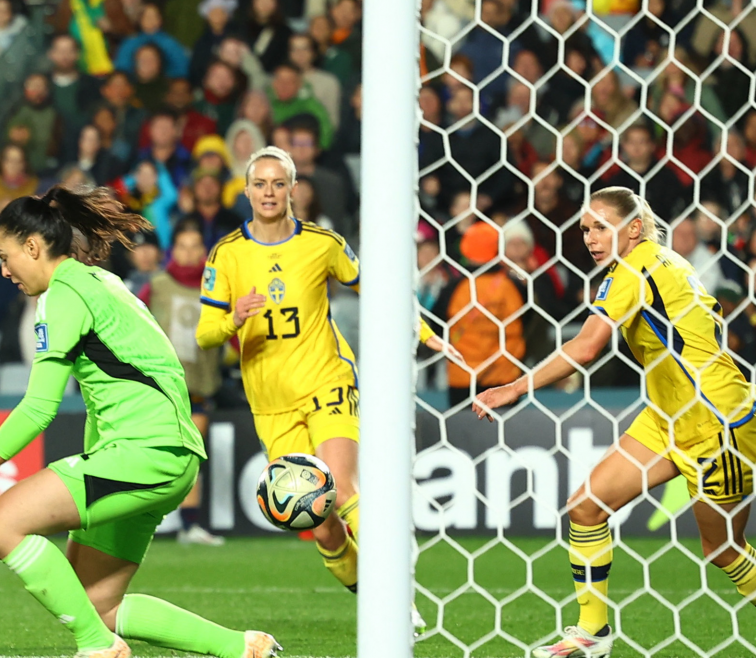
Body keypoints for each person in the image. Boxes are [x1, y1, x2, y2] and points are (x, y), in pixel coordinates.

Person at [0, 184, 280, 658]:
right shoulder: (97, 281)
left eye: (5, 255)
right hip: (160, 452)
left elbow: (40, 407)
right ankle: (241, 650)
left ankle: (96, 650)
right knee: (96, 604)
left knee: (1, 523)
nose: (4, 269)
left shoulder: (63, 294)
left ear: (33, 247)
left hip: (146, 452)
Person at [473, 186, 756, 658]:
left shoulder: (636, 268)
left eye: (601, 226)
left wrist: (513, 388)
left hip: (719, 422)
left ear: (634, 228)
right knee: (585, 507)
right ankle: (591, 631)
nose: (590, 237)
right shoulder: (665, 262)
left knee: (722, 547)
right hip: (668, 415)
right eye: (584, 228)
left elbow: (585, 348)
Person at [196, 147, 457, 625]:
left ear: (294, 189)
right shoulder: (227, 254)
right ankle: (378, 600)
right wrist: (233, 318)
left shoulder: (322, 243)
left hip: (326, 379)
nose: (270, 192)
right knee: (319, 525)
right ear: (247, 190)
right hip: (270, 401)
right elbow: (204, 334)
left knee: (338, 490)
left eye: (279, 183)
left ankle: (398, 600)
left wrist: (423, 331)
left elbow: (376, 288)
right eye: (261, 184)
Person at [140, 220, 225, 546]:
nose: (189, 253)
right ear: (172, 250)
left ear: (204, 251)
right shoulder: (157, 285)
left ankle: (189, 526)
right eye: (182, 246)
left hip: (200, 383)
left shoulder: (216, 287)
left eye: (194, 246)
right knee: (153, 451)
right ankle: (147, 519)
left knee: (191, 455)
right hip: (159, 383)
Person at [443, 221, 526, 409]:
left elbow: (438, 324)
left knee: (461, 435)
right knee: (503, 434)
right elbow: (528, 323)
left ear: (465, 248)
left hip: (462, 377)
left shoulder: (453, 287)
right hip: (505, 376)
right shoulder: (514, 285)